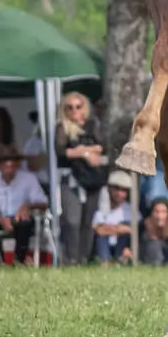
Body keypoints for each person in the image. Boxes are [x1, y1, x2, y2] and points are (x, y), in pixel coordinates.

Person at [56, 93, 106, 265]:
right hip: (71, 179)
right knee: (72, 220)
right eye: (69, 107)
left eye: (78, 106)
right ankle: (71, 259)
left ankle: (84, 258)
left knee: (88, 221)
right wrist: (85, 152)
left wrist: (79, 151)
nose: (74, 110)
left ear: (84, 108)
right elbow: (62, 151)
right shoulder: (63, 127)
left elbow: (101, 146)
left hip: (92, 178)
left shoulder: (92, 125)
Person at [0, 146, 48, 264]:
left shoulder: (28, 178)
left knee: (25, 224)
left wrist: (27, 206)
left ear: (17, 165)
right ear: (0, 165)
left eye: (12, 166)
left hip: (18, 218)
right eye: (6, 166)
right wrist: (1, 220)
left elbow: (43, 202)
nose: (9, 170)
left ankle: (19, 260)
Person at [92, 170, 137, 265]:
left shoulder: (131, 210)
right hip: (105, 245)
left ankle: (119, 260)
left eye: (124, 190)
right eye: (117, 189)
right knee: (101, 238)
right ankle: (104, 262)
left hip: (122, 247)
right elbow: (97, 230)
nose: (120, 193)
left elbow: (134, 231)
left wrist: (108, 229)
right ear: (109, 189)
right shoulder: (100, 208)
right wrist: (119, 229)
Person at [140, 198, 168, 266]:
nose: (159, 216)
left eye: (163, 212)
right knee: (154, 244)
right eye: (156, 211)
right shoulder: (144, 224)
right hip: (147, 254)